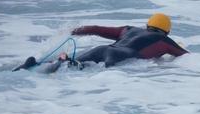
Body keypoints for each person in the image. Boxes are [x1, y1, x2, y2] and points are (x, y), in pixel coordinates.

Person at [13, 13, 189, 73]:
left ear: (147, 25)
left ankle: (35, 65)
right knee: (79, 70)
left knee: (68, 63)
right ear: (167, 31)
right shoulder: (164, 40)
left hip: (102, 49)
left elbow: (96, 28)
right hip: (121, 56)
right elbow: (186, 57)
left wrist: (70, 31)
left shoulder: (128, 30)